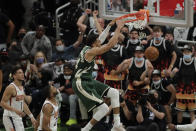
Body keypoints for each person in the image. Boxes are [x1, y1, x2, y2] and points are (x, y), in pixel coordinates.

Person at [72, 20, 125, 131]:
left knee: (114, 93)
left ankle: (116, 124)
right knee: (104, 108)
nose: (100, 41)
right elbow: (110, 45)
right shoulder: (90, 51)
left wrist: (109, 26)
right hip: (80, 82)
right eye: (98, 41)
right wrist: (118, 28)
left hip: (88, 80)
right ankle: (85, 130)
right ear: (94, 43)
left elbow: (101, 37)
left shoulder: (89, 47)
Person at [0, 65, 37, 131]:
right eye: (19, 73)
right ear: (14, 76)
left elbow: (22, 103)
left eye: (22, 72)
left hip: (17, 117)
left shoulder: (21, 87)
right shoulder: (10, 88)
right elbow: (2, 103)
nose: (22, 74)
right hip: (10, 117)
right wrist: (16, 111)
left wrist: (31, 117)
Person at [172, 44, 196, 124]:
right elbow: (172, 77)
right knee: (179, 112)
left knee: (192, 113)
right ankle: (179, 128)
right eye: (185, 52)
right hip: (181, 90)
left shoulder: (195, 62)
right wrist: (173, 72)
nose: (186, 53)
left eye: (188, 52)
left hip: (192, 91)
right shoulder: (179, 61)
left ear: (192, 52)